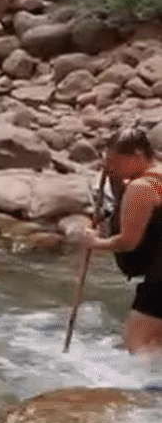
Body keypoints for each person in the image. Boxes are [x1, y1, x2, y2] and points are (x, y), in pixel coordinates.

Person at [80, 125, 162, 355]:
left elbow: (128, 242)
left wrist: (94, 243)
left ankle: (141, 391)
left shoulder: (142, 187)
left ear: (136, 155)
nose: (111, 169)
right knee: (156, 345)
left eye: (115, 162)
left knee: (136, 345)